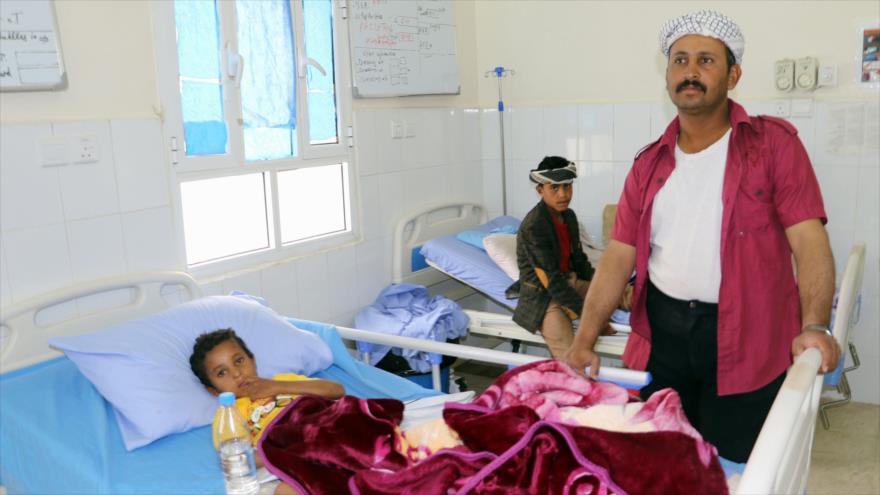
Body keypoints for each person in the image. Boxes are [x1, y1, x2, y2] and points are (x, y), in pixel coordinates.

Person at [562, 10, 839, 463]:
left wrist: (814, 326)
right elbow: (618, 256)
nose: (690, 71)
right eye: (680, 60)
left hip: (750, 338)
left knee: (739, 467)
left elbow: (809, 242)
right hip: (664, 336)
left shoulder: (773, 146)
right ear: (667, 75)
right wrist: (583, 340)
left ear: (733, 75)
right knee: (664, 459)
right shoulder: (648, 164)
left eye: (706, 60)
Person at [190, 327, 344, 494]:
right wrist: (286, 450)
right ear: (213, 391)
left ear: (253, 360)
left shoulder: (283, 380)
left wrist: (277, 387)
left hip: (329, 431)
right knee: (285, 490)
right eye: (222, 372)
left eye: (239, 361)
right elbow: (236, 461)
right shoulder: (230, 414)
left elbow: (336, 390)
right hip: (296, 456)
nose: (236, 373)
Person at [505, 156, 626, 358]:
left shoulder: (568, 216)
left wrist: (602, 283)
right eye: (554, 188)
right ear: (540, 190)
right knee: (572, 357)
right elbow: (551, 281)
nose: (563, 194)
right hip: (544, 296)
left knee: (620, 290)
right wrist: (592, 320)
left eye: (567, 186)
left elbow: (579, 261)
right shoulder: (534, 226)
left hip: (568, 280)